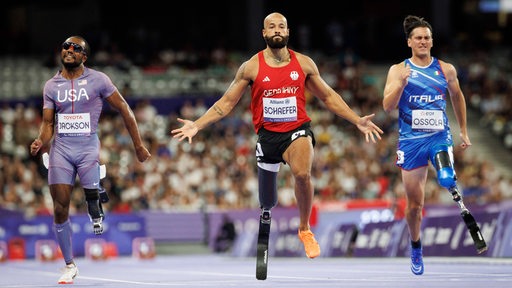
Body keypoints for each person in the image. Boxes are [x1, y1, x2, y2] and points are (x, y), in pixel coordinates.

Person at [172, 12, 383, 259]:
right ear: (264, 33)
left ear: (288, 31)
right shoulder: (251, 67)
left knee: (303, 174)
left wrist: (356, 119)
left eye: (281, 26)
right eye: (271, 27)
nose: (276, 30)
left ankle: (304, 228)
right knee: (267, 199)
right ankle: (266, 211)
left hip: (297, 131)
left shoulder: (304, 64)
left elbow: (328, 97)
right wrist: (197, 124)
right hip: (267, 137)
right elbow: (226, 102)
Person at [30, 35, 151, 284]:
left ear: (84, 56)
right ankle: (69, 264)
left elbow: (125, 109)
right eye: (65, 46)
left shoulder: (99, 80)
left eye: (75, 48)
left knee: (91, 200)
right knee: (60, 207)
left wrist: (138, 145)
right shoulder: (51, 86)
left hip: (87, 148)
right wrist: (41, 140)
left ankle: (95, 196)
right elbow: (47, 124)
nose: (69, 50)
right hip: (61, 150)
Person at [382, 15, 472, 275]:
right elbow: (387, 106)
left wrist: (464, 130)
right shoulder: (398, 70)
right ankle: (416, 245)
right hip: (411, 143)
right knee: (414, 206)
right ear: (409, 42)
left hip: (438, 137)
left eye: (427, 37)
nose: (423, 41)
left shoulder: (446, 69)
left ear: (432, 41)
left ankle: (447, 173)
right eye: (418, 38)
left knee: (445, 177)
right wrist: (400, 84)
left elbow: (457, 97)